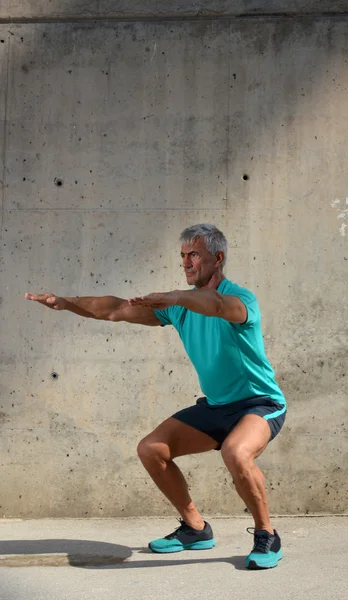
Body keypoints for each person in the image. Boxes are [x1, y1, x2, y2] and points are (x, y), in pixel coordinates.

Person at [25, 223, 286, 569]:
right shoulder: (178, 309)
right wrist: (66, 303)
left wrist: (177, 296)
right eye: (182, 255)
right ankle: (195, 528)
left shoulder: (240, 300)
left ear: (218, 258)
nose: (186, 261)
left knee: (237, 452)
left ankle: (266, 534)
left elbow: (219, 306)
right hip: (217, 407)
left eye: (194, 254)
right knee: (151, 449)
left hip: (259, 403)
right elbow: (114, 309)